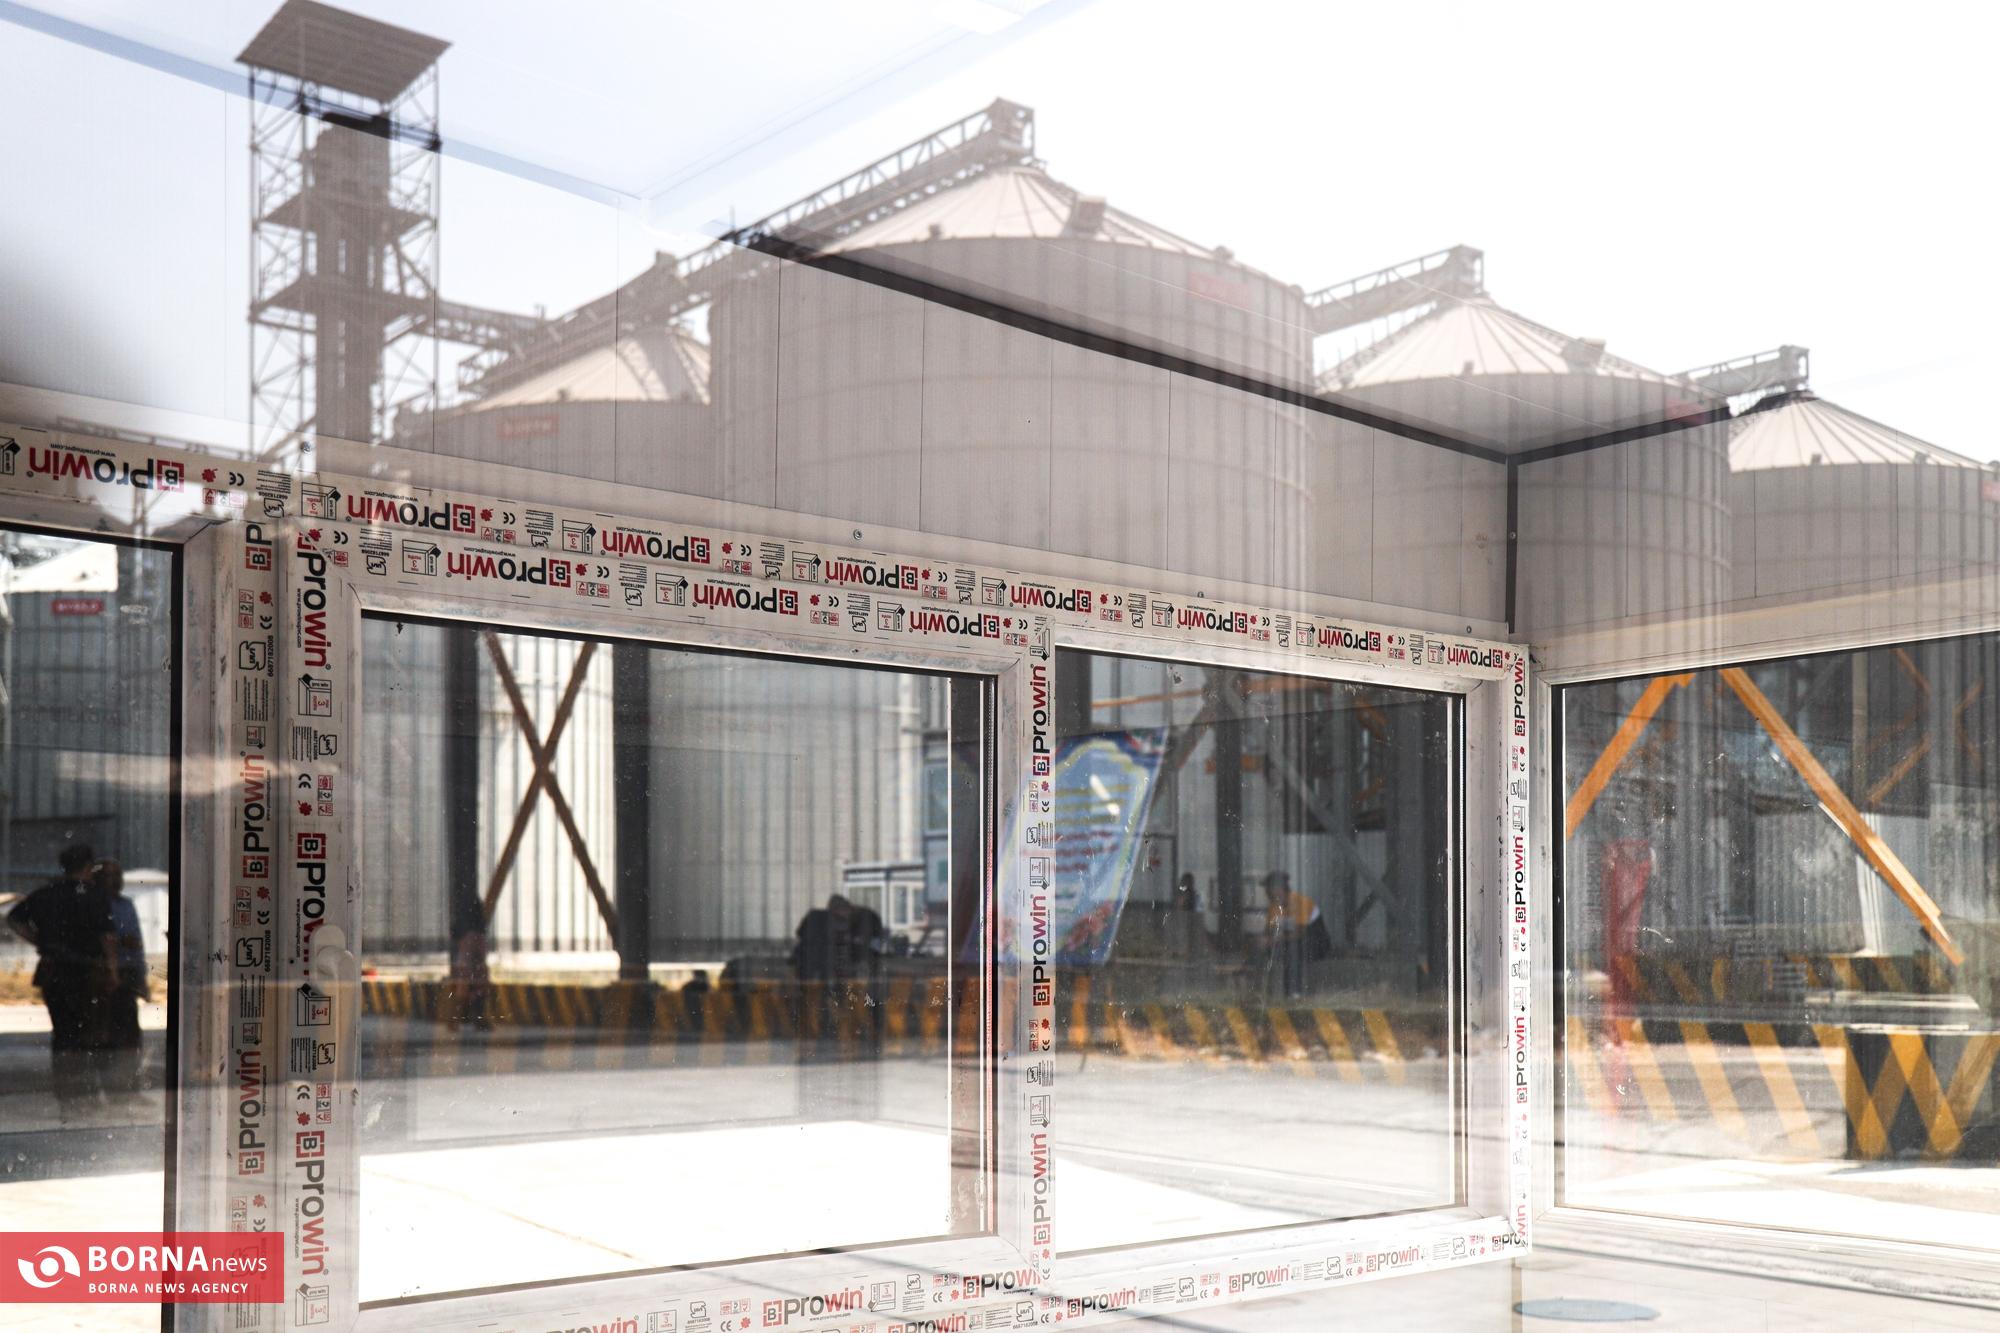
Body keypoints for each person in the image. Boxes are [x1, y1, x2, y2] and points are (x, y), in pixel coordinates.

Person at [6, 844, 110, 1106]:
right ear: (88, 867)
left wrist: (39, 940)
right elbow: (107, 935)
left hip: (54, 972)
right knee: (88, 1032)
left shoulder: (46, 894)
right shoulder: (94, 895)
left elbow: (14, 919)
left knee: (63, 1032)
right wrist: (112, 969)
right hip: (87, 973)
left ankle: (66, 1090)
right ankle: (85, 1090)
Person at [86, 859, 147, 1097]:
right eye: (109, 876)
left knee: (130, 1034)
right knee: (104, 1033)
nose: (115, 881)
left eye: (117, 875)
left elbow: (137, 944)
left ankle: (130, 1086)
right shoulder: (93, 905)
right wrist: (121, 943)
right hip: (102, 976)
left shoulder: (126, 905)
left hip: (127, 973)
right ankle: (107, 1086)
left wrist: (141, 978)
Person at [1262, 870, 1331, 999]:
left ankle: (1295, 993)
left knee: (1293, 950)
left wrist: (1275, 940)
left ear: (1279, 889)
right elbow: (1269, 931)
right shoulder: (1274, 906)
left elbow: (1299, 933)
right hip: (1292, 942)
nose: (1267, 893)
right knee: (1270, 950)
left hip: (1316, 944)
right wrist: (1264, 940)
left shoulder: (1299, 902)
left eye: (1269, 888)